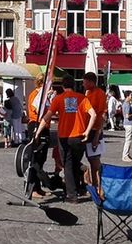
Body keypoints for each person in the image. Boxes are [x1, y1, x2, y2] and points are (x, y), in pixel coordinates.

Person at [33, 75, 96, 203]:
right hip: (79, 136)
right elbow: (93, 115)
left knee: (68, 165)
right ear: (74, 85)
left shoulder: (58, 99)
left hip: (64, 137)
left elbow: (47, 117)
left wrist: (37, 132)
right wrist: (87, 131)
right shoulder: (82, 98)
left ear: (62, 86)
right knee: (75, 163)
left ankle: (72, 195)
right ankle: (79, 188)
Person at [82, 72, 106, 189]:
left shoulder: (100, 94)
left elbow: (102, 116)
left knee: (94, 160)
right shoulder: (87, 93)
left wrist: (97, 135)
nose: (83, 84)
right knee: (90, 159)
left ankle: (99, 186)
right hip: (87, 129)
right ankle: (93, 184)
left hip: (95, 130)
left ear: (92, 82)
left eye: (85, 82)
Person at [120, 90, 132, 161]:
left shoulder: (126, 103)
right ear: (127, 96)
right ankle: (125, 155)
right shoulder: (127, 104)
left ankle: (127, 154)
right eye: (131, 95)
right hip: (128, 123)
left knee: (128, 139)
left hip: (127, 123)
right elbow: (127, 116)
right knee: (128, 140)